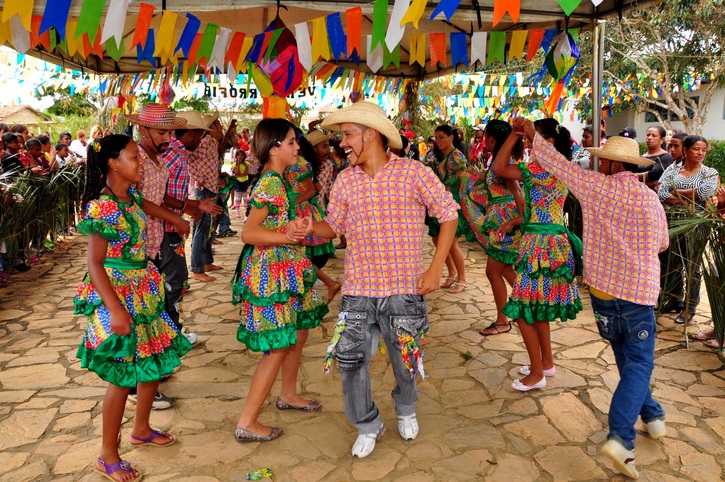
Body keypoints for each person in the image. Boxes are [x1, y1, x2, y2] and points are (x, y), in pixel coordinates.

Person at [291, 101, 459, 458]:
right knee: (350, 361)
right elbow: (333, 226)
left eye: (348, 135)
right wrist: (309, 228)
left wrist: (436, 267)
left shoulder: (414, 173)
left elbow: (448, 214)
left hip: (403, 292)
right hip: (357, 292)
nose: (342, 144)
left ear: (371, 135)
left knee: (406, 361)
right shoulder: (345, 179)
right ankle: (367, 423)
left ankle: (406, 406)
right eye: (340, 137)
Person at [516, 119, 669, 479]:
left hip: (603, 298)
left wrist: (531, 135)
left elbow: (556, 164)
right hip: (637, 295)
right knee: (639, 364)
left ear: (613, 165)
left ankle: (653, 414)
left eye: (603, 160)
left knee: (629, 362)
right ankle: (620, 437)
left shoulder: (596, 187)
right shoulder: (651, 200)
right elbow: (662, 244)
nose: (599, 164)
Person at [74, 134, 192, 482]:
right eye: (133, 157)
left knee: (153, 361)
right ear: (113, 164)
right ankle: (107, 455)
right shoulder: (103, 207)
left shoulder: (129, 196)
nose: (140, 163)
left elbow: (145, 207)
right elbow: (95, 263)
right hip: (119, 293)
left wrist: (178, 218)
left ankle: (141, 429)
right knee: (122, 376)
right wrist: (115, 310)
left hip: (144, 289)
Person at [231, 118, 328, 443]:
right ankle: (247, 420)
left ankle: (288, 394)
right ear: (273, 148)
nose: (297, 147)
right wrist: (287, 236)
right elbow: (249, 232)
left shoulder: (279, 180)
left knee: (297, 332)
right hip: (272, 273)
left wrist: (294, 227)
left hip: (284, 268)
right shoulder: (271, 183)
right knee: (278, 346)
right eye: (290, 142)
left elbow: (278, 225)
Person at [492, 118, 582, 392]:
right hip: (547, 243)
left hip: (542, 246)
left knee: (524, 310)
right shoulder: (556, 169)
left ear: (549, 145)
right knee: (537, 308)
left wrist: (515, 135)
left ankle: (537, 374)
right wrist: (518, 133)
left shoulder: (542, 170)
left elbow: (499, 167)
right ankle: (545, 363)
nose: (528, 145)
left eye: (532, 140)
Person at [157, 110, 224, 346]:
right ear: (193, 133)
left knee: (176, 281)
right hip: (164, 228)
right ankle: (169, 337)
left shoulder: (179, 153)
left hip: (170, 226)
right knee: (173, 282)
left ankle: (170, 333)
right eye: (200, 134)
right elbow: (154, 195)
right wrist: (185, 209)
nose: (201, 140)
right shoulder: (173, 154)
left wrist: (194, 205)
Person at [657, 135, 720, 324]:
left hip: (696, 224)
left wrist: (674, 192)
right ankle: (672, 298)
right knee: (671, 261)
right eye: (696, 149)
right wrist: (687, 196)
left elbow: (704, 193)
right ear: (686, 150)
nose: (701, 153)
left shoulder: (709, 172)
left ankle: (690, 306)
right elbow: (660, 192)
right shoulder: (673, 168)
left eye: (703, 149)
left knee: (692, 264)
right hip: (672, 222)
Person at [469, 120, 524, 336]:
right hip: (501, 220)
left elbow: (517, 190)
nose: (484, 140)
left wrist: (520, 219)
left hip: (505, 222)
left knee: (493, 271)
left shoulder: (504, 160)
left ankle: (504, 320)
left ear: (491, 138)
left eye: (486, 136)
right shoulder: (497, 159)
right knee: (502, 269)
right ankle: (524, 306)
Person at [290, 131, 340, 304]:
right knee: (297, 255)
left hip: (302, 211)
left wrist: (291, 203)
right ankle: (327, 282)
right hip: (300, 210)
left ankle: (327, 282)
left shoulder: (300, 164)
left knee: (298, 254)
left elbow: (313, 190)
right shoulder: (297, 163)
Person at [427, 125, 473, 294]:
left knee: (451, 244)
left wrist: (447, 188)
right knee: (438, 240)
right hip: (443, 203)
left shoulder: (456, 156)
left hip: (453, 204)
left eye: (441, 137)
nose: (438, 141)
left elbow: (463, 180)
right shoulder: (445, 156)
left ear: (451, 137)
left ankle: (462, 278)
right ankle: (452, 273)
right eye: (436, 138)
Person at [188, 113, 226, 282]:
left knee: (208, 229)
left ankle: (206, 261)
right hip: (204, 191)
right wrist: (198, 178)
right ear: (211, 128)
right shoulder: (206, 142)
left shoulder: (212, 142)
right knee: (201, 229)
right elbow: (189, 158)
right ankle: (197, 268)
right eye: (219, 125)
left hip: (210, 188)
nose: (221, 128)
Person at [231, 148, 250, 218]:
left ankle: (246, 211)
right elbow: (236, 173)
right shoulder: (234, 165)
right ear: (236, 156)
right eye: (238, 155)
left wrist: (238, 175)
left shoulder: (246, 164)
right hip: (237, 182)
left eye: (242, 155)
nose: (240, 157)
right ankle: (237, 211)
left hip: (245, 182)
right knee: (237, 198)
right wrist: (238, 165)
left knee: (245, 197)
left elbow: (245, 173)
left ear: (244, 156)